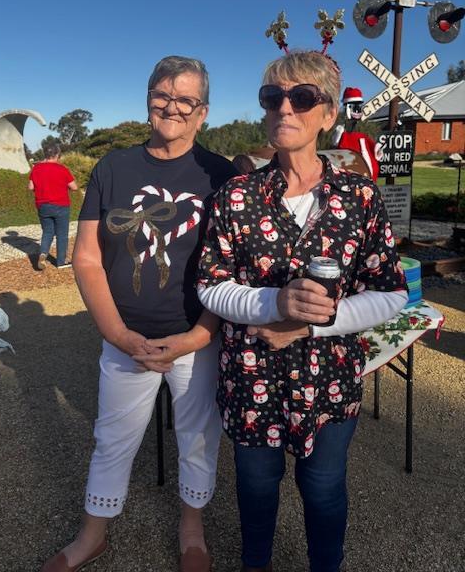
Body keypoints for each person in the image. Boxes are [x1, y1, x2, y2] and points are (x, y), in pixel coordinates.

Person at [197, 50, 408, 572]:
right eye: (273, 97)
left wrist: (311, 325)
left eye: (302, 97)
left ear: (328, 114)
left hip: (330, 377)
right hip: (252, 376)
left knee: (324, 486)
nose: (284, 108)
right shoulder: (236, 196)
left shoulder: (358, 197)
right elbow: (210, 285)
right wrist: (273, 303)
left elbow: (391, 292)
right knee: (256, 485)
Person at [41, 56, 237, 572]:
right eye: (162, 95)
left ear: (203, 112)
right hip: (126, 337)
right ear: (148, 99)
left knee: (198, 438)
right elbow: (87, 256)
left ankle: (191, 530)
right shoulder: (114, 168)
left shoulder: (221, 174)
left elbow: (233, 265)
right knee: (112, 437)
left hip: (195, 337)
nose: (172, 107)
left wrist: (199, 335)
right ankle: (93, 534)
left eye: (186, 99)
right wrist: (118, 334)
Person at [28, 143, 78, 269]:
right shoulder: (62, 169)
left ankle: (43, 253)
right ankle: (61, 262)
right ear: (57, 155)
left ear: (45, 154)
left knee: (47, 232)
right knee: (62, 234)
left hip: (43, 205)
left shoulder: (36, 168)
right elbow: (74, 187)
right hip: (61, 205)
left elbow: (31, 187)